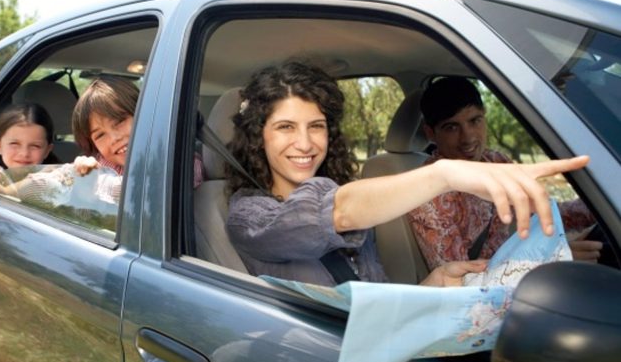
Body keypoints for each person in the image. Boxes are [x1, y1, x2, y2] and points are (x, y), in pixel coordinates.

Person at [225, 62, 589, 288]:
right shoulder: (249, 217)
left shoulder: (352, 204)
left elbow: (374, 300)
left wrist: (432, 285)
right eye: (285, 127)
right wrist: (444, 174)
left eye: (316, 126)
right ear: (259, 136)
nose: (304, 143)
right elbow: (337, 211)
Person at [407, 77, 600, 271]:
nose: (468, 138)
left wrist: (596, 208)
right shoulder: (429, 193)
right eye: (451, 127)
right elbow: (460, 281)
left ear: (484, 115)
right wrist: (554, 260)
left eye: (474, 121)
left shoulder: (495, 161)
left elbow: (540, 214)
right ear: (430, 133)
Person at [71, 75, 204, 188]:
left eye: (119, 121)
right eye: (100, 135)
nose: (114, 138)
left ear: (143, 114)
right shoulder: (103, 164)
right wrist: (82, 174)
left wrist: (93, 185)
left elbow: (151, 187)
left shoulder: (178, 155)